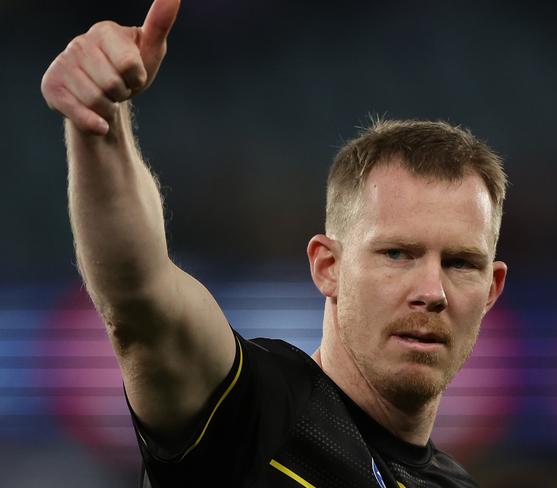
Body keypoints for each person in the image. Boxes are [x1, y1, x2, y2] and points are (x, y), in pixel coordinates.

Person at [41, 0, 507, 486]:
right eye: (397, 254)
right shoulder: (255, 413)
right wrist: (100, 126)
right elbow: (139, 300)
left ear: (491, 290)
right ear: (328, 266)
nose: (432, 290)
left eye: (459, 263)